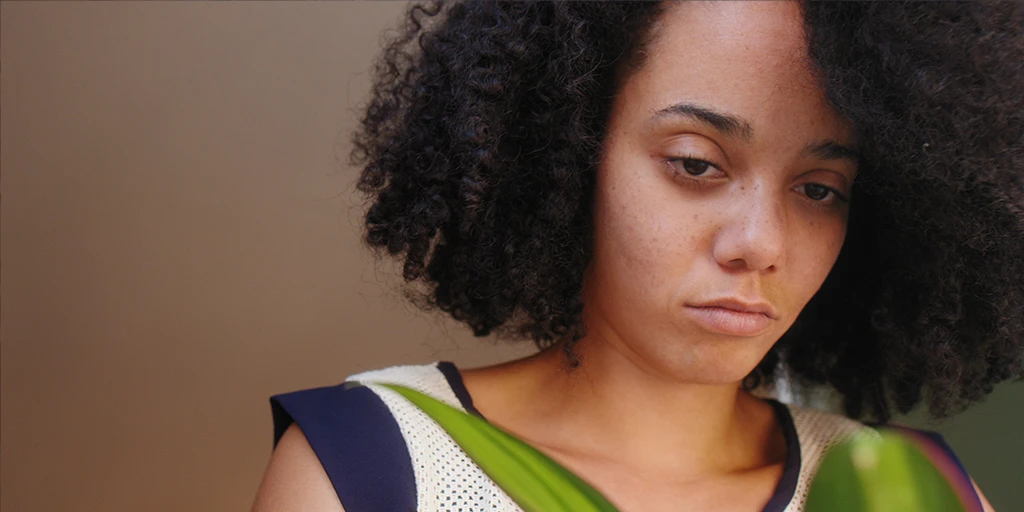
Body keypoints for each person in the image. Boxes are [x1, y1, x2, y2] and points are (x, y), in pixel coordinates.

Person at [253, 2, 1022, 511]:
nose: (760, 243)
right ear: (565, 148)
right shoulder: (371, 465)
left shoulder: (913, 494)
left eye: (820, 190)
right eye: (696, 164)